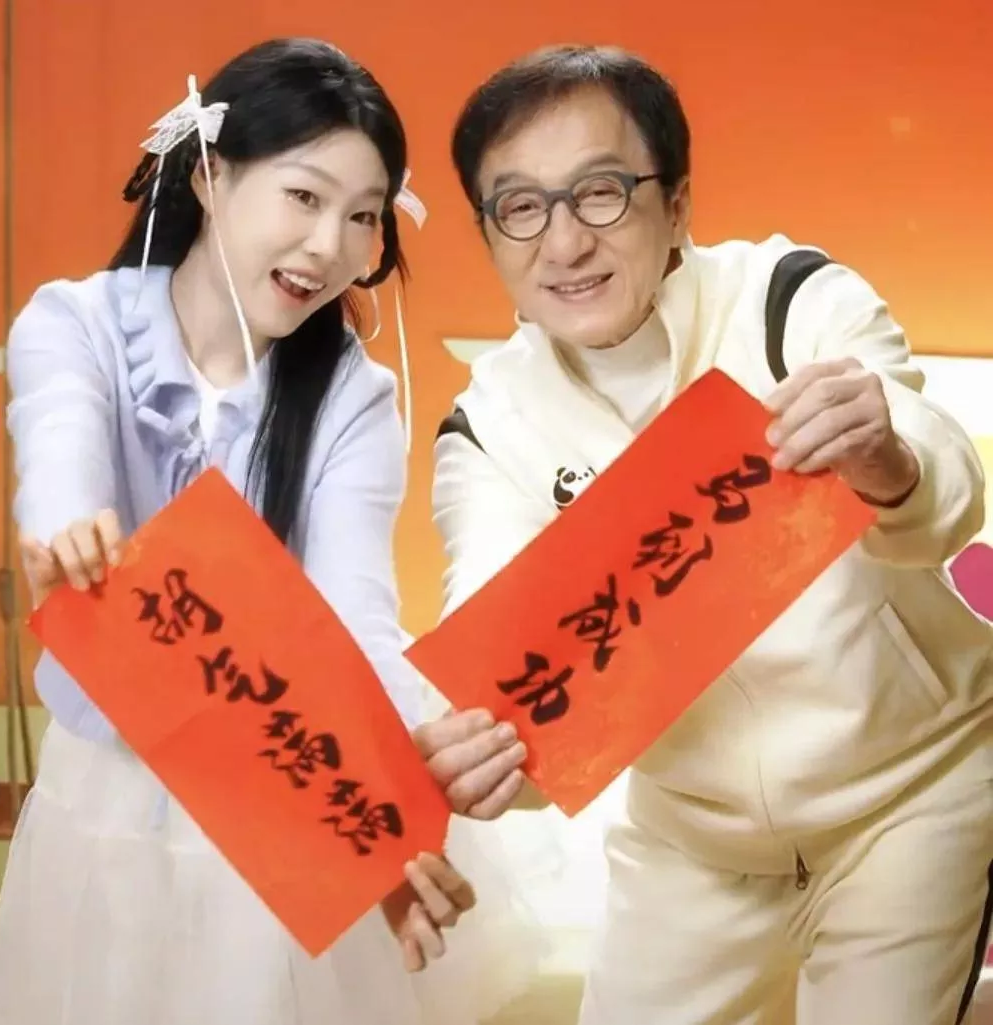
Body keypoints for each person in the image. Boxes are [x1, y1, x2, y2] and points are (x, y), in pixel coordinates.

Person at [417, 44, 993, 1025]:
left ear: (676, 202)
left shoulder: (788, 299)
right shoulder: (488, 429)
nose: (564, 242)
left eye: (600, 192)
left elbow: (947, 494)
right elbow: (498, 638)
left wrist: (887, 454)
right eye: (520, 207)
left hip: (909, 792)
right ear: (490, 234)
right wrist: (480, 749)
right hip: (692, 844)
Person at [0, 37, 526, 1025]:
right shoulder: (75, 324)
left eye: (363, 215)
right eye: (304, 196)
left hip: (276, 797)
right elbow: (60, 444)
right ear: (210, 174)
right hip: (100, 797)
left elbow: (355, 620)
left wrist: (385, 815)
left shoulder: (354, 397)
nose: (329, 246)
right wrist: (63, 527)